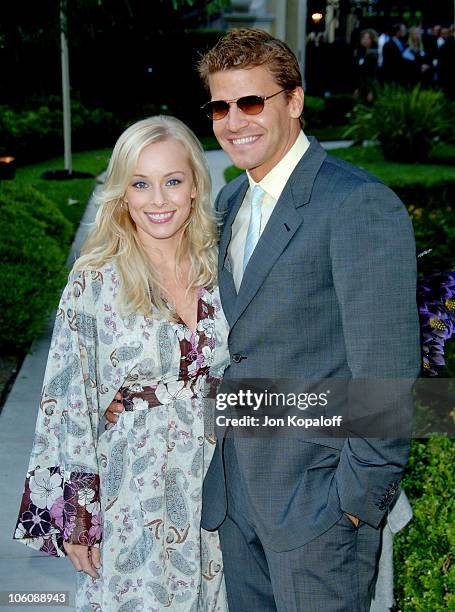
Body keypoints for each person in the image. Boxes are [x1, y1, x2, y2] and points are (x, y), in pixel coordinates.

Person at [106, 28, 420, 611]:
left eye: (252, 102)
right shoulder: (228, 202)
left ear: (294, 102)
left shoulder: (355, 205)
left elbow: (387, 376)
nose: (234, 122)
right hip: (237, 501)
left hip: (320, 510)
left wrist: (354, 504)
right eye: (219, 106)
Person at [13, 116, 230, 611]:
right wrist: (79, 517)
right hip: (133, 490)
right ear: (122, 193)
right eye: (140, 183)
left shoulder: (222, 267)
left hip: (219, 486)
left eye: (172, 181)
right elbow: (66, 405)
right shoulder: (93, 282)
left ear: (195, 185)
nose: (158, 200)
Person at [353, 29, 379, 103]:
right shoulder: (359, 52)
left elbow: (372, 73)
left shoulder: (373, 54)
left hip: (369, 86)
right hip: (360, 85)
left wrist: (371, 90)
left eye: (367, 38)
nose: (365, 40)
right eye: (363, 38)